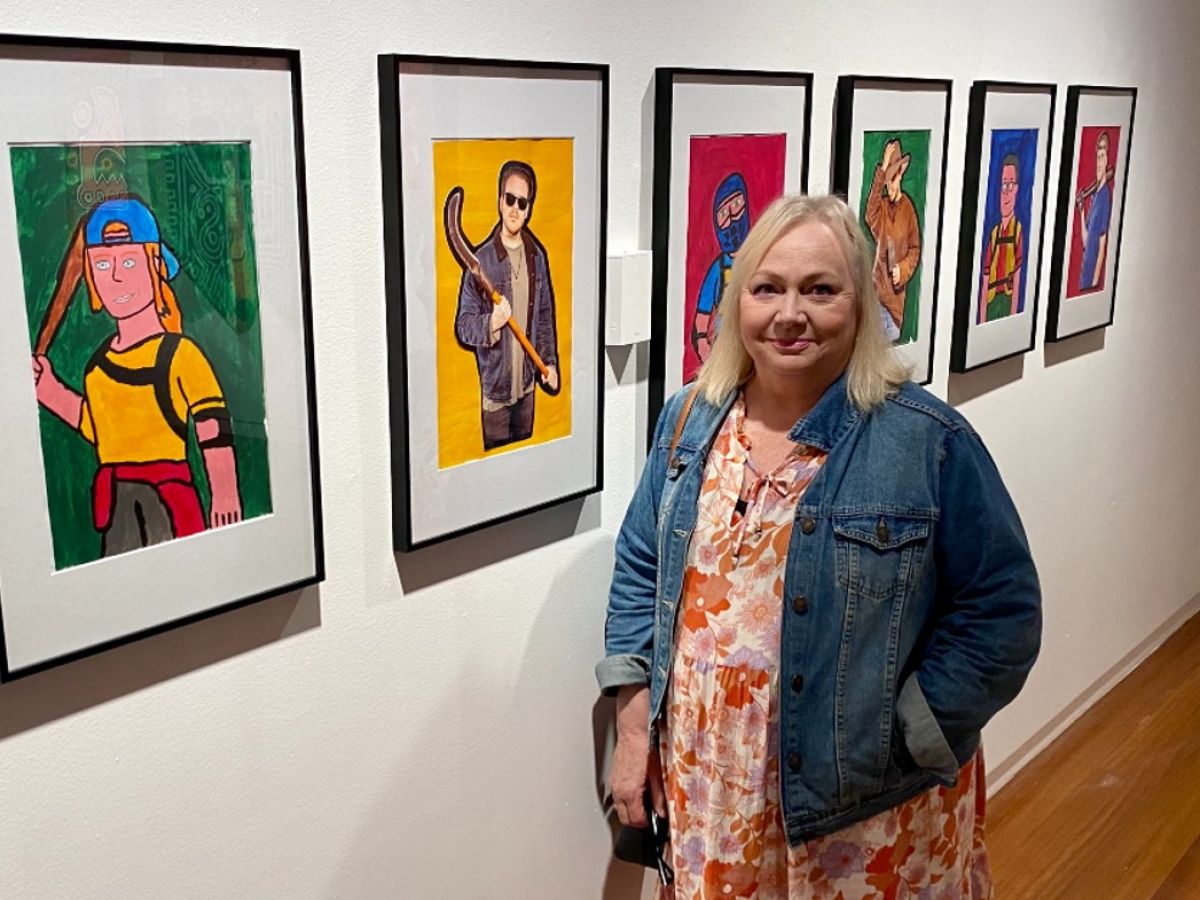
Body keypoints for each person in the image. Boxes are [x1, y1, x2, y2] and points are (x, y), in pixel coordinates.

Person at [598, 194, 1040, 898]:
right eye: (767, 288)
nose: (789, 314)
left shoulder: (926, 441)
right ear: (739, 300)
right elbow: (640, 568)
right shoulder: (689, 419)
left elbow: (1003, 612)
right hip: (712, 790)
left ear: (861, 304)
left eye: (820, 290)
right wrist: (632, 735)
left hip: (864, 809)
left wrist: (914, 734)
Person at [31, 195, 243, 557]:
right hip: (116, 508)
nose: (115, 276)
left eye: (129, 261)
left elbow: (212, 428)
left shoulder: (180, 355)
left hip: (169, 504)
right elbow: (99, 429)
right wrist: (49, 391)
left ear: (155, 266)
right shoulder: (97, 366)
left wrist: (225, 492)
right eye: (101, 264)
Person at [454, 160, 560, 451]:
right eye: (510, 199)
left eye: (522, 202)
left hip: (527, 391)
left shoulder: (536, 257)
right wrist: (492, 323)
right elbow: (464, 326)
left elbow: (544, 317)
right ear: (500, 201)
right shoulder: (481, 262)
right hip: (495, 396)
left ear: (529, 209)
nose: (515, 208)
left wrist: (548, 362)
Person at [864, 137, 922, 343]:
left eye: (893, 178)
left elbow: (915, 248)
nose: (890, 185)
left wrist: (903, 269)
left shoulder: (908, 209)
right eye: (887, 180)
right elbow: (869, 213)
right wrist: (882, 169)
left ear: (901, 176)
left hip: (895, 301)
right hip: (877, 292)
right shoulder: (881, 209)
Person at [692, 172, 750, 368]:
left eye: (736, 206)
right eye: (723, 214)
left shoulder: (761, 260)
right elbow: (702, 317)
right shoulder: (718, 269)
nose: (732, 218)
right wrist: (704, 348)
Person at [979, 153, 1025, 323]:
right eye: (1003, 185)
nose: (1005, 192)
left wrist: (1012, 318)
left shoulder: (1018, 231)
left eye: (1010, 185)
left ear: (1017, 189)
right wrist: (982, 321)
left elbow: (1017, 281)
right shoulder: (994, 234)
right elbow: (985, 281)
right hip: (992, 301)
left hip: (1006, 299)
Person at [1076, 131, 1112, 293]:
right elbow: (1087, 241)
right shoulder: (1095, 198)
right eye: (1097, 157)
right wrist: (1082, 211)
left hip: (1090, 280)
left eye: (1102, 157)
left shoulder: (1104, 197)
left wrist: (1094, 284)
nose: (1099, 162)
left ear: (1107, 161)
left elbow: (1102, 248)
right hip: (1085, 275)